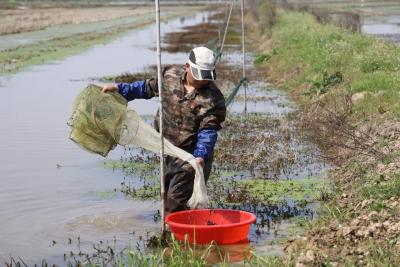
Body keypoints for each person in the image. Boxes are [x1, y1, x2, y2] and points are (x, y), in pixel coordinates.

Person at [102, 46, 226, 214]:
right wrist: (119, 89)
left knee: (174, 201)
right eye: (199, 74)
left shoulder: (213, 98)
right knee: (168, 194)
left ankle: (173, 235)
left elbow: (208, 131)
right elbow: (146, 88)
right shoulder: (170, 76)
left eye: (205, 76)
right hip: (167, 149)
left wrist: (200, 155)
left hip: (191, 156)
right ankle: (186, 232)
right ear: (187, 66)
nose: (202, 80)